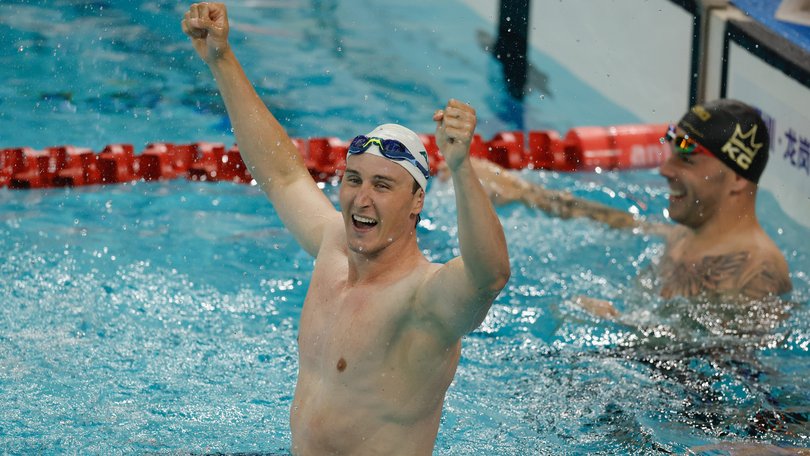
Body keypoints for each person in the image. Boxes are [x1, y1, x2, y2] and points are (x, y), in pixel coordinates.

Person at [182, 3, 510, 455]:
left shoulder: (424, 301)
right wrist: (222, 59)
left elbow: (489, 274)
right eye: (353, 180)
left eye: (383, 185)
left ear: (417, 202)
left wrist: (461, 165)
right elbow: (283, 175)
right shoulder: (333, 246)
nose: (362, 198)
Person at [467, 99, 791, 316]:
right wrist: (525, 192)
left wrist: (618, 324)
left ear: (736, 179)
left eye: (687, 159)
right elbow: (620, 222)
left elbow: (727, 376)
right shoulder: (689, 233)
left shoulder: (758, 273)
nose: (665, 170)